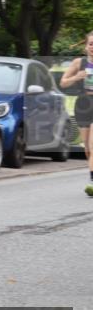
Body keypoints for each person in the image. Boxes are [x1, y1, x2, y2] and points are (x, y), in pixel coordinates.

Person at [59, 30, 93, 196]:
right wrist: (77, 77)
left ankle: (92, 181)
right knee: (87, 147)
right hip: (83, 105)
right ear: (86, 46)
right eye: (91, 44)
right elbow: (63, 83)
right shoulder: (78, 63)